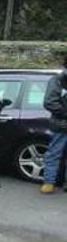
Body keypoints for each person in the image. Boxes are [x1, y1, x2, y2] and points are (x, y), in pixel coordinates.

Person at [41, 59, 67, 193]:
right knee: (54, 154)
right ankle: (49, 183)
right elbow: (49, 102)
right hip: (61, 125)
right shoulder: (57, 80)